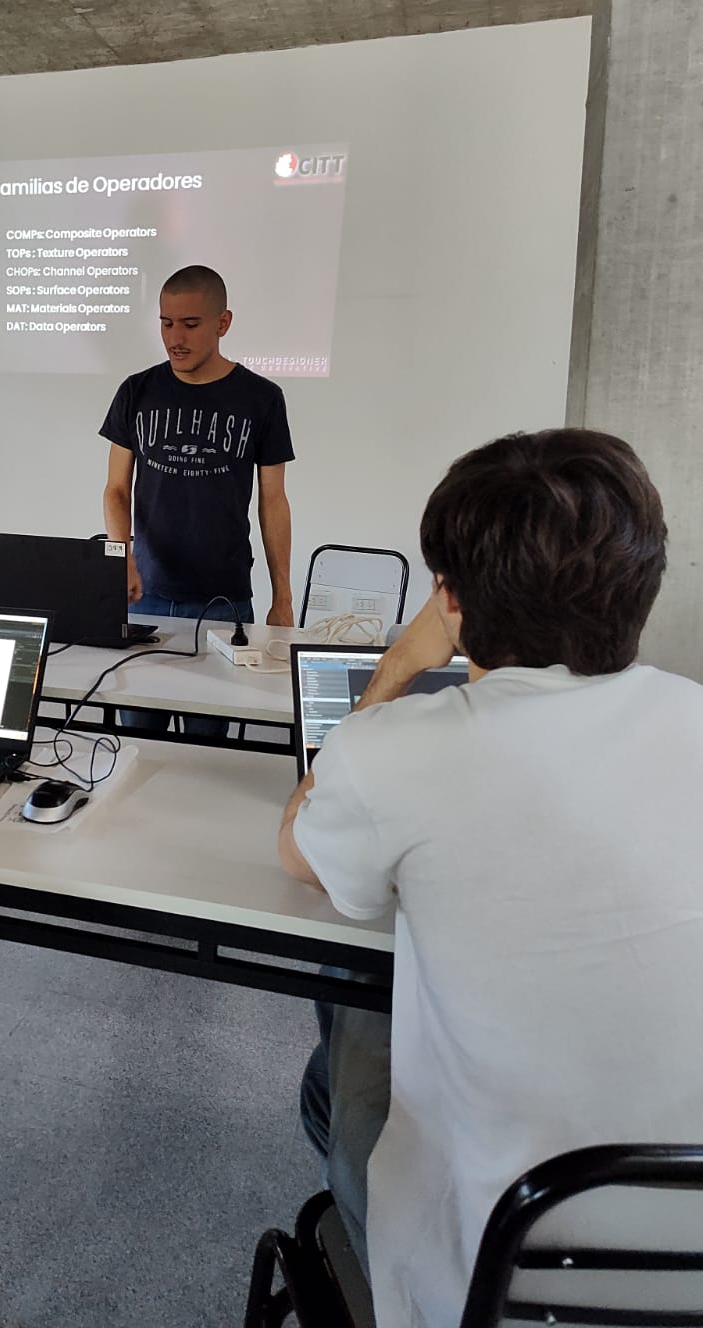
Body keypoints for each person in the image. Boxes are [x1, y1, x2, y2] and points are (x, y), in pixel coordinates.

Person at [277, 427, 703, 1327]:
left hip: (489, 1273)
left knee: (350, 1005)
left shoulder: (398, 752)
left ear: (451, 599)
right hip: (689, 1262)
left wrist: (396, 666)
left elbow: (298, 850)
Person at [100, 265, 295, 736]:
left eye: (190, 324)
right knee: (137, 742)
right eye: (166, 323)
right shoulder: (137, 391)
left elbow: (273, 502)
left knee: (208, 746)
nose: (175, 337)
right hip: (144, 597)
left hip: (223, 600)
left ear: (222, 323)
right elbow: (116, 489)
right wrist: (119, 557)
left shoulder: (261, 398)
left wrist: (282, 596)